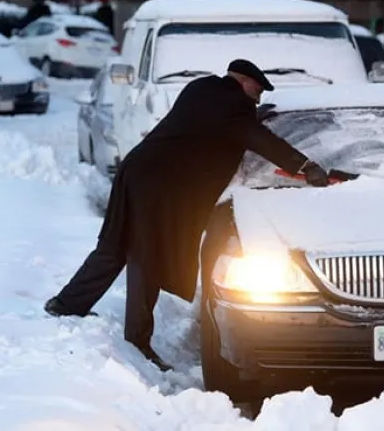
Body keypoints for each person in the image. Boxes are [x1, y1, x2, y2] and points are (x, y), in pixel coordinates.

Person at [43, 59, 330, 371]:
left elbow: (219, 128)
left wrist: (252, 120)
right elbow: (262, 141)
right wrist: (304, 165)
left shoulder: (202, 89)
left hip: (137, 171)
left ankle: (67, 304)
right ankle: (138, 341)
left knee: (115, 246)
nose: (258, 98)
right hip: (156, 187)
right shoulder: (232, 106)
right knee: (145, 256)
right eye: (257, 90)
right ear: (243, 81)